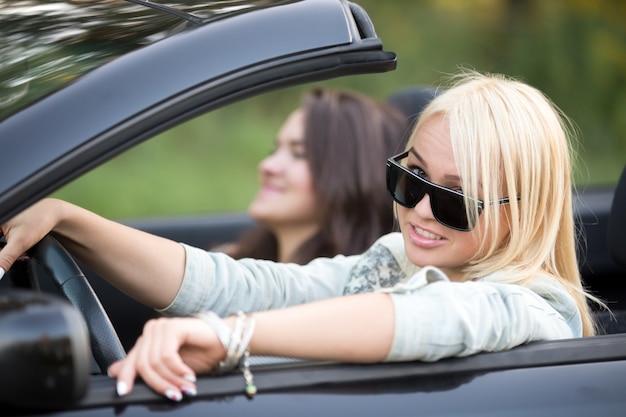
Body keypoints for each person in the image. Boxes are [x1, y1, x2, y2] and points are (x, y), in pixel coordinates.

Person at [0, 70, 603, 403]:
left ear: (525, 211)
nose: (420, 208)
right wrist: (70, 219)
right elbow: (254, 286)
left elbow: (426, 320)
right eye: (410, 175)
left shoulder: (533, 308)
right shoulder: (396, 260)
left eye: (456, 196)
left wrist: (230, 338)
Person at [218, 87, 410, 264]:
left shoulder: (348, 295)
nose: (267, 165)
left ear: (350, 178)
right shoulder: (231, 263)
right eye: (273, 151)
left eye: (299, 154)